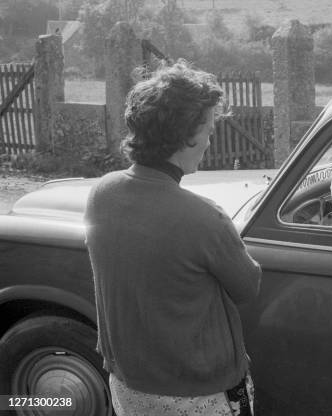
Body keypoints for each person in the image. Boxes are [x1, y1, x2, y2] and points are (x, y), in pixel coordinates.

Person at [85, 60, 261, 416]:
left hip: (129, 384)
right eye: (209, 130)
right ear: (185, 136)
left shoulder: (102, 193)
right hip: (199, 393)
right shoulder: (204, 216)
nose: (210, 141)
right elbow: (248, 287)